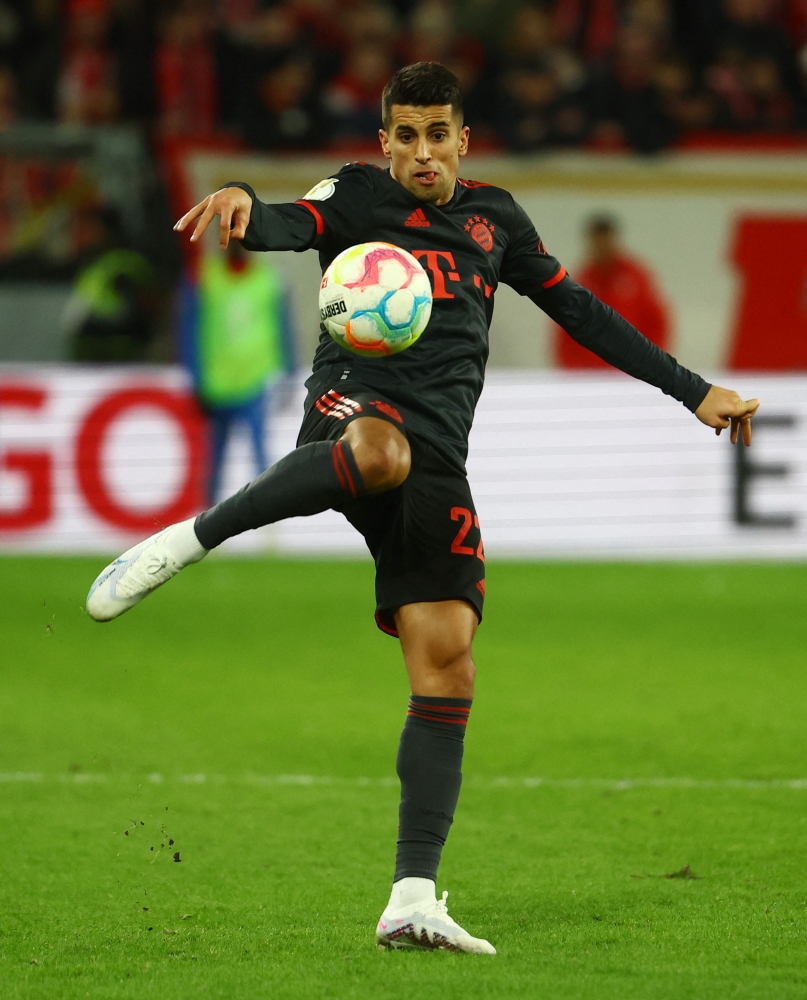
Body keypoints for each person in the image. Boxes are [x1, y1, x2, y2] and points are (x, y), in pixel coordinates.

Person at [85, 61, 759, 954]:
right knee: (377, 452)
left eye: (437, 134)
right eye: (404, 135)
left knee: (446, 661)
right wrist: (245, 200)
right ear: (384, 141)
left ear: (463, 140)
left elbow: (581, 311)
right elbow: (292, 220)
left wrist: (693, 390)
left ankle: (410, 898)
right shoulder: (359, 196)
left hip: (439, 453)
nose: (421, 152)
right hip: (351, 411)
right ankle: (190, 537)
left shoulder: (496, 221)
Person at [178, 239, 296, 504]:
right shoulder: (203, 277)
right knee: (214, 458)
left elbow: (283, 326)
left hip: (257, 378)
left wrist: (288, 371)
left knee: (259, 452)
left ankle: (268, 517)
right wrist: (194, 376)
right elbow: (188, 330)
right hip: (216, 382)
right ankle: (205, 519)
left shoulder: (269, 279)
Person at [555, 214, 670, 369]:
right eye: (597, 242)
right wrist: (573, 371)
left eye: (606, 241)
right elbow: (565, 330)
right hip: (590, 375)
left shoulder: (635, 277)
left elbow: (657, 321)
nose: (602, 247)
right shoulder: (580, 281)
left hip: (632, 371)